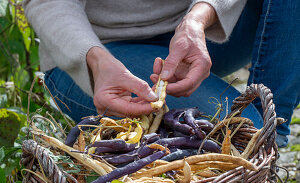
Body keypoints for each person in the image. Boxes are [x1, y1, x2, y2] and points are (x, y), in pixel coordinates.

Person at [23, 0, 300, 149]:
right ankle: (266, 144)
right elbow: (48, 3)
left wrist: (197, 19)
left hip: (196, 29)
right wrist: (96, 60)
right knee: (245, 135)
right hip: (96, 50)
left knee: (256, 138)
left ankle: (274, 135)